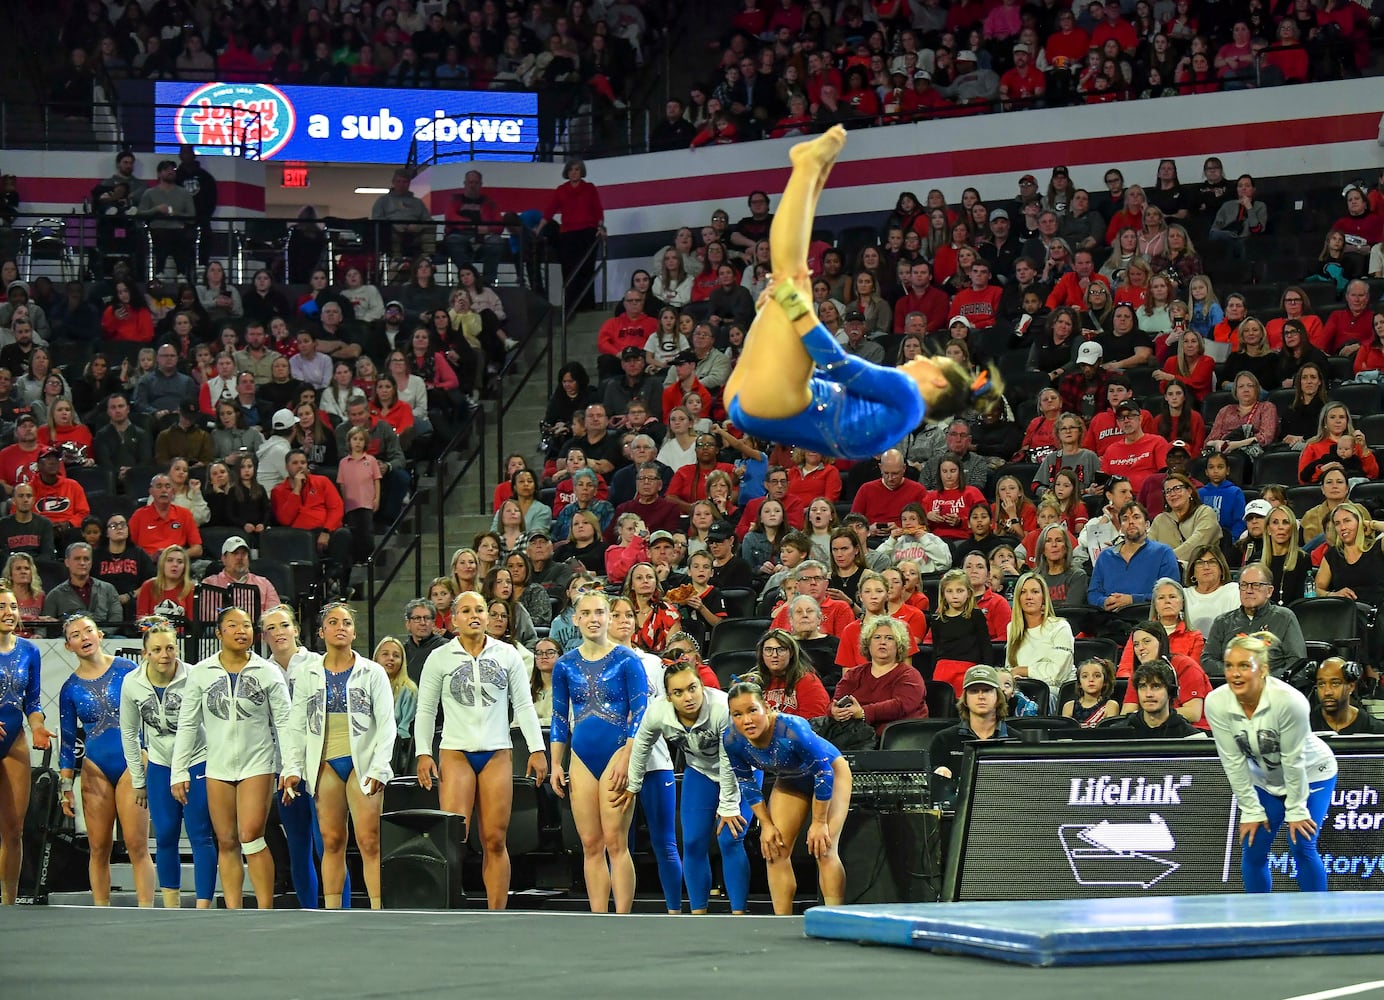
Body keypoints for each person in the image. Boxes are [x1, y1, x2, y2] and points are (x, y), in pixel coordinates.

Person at [724, 128, 1001, 460]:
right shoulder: (898, 417)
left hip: (775, 402)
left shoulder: (909, 397)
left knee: (794, 280)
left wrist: (796, 310)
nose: (920, 359)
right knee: (785, 287)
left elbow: (839, 364)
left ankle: (811, 169)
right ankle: (814, 172)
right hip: (754, 406)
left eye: (930, 361)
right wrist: (773, 319)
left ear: (938, 383)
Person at [171, 606, 290, 909]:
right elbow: (187, 723)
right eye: (233, 625)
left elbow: (285, 723)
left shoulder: (267, 671)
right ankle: (232, 911)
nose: (241, 631)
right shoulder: (201, 673)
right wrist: (179, 771)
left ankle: (265, 909)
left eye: (247, 625)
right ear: (219, 633)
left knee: (251, 836)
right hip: (218, 766)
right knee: (226, 841)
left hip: (258, 764)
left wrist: (291, 766)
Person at [279, 603, 394, 910]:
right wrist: (292, 767)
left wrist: (381, 767)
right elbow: (296, 726)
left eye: (346, 622)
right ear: (321, 632)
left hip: (363, 762)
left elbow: (386, 725)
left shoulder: (373, 672)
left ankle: (377, 910)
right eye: (333, 622)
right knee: (331, 842)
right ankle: (332, 913)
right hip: (325, 763)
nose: (340, 626)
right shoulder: (307, 674)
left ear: (354, 632)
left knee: (369, 841)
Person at [615, 655, 751, 915]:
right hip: (700, 772)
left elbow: (729, 758)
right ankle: (698, 913)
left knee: (729, 839)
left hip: (740, 771)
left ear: (703, 686)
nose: (688, 697)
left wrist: (729, 805)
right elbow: (642, 745)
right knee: (692, 842)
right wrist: (633, 785)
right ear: (668, 697)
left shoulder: (722, 708)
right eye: (678, 692)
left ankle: (739, 914)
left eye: (692, 688)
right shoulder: (658, 712)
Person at [1206, 632, 1337, 894]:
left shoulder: (1289, 702)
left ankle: (1319, 919)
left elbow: (1294, 759)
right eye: (1229, 665)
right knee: (1254, 847)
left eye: (1244, 666)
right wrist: (1250, 809)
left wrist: (1297, 809)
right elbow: (1233, 761)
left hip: (1312, 773)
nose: (1235, 674)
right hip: (1265, 780)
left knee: (1302, 843)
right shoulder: (1216, 703)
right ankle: (1259, 924)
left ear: (1263, 669)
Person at [548, 592, 647, 913]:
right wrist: (555, 764)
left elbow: (641, 711)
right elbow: (560, 717)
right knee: (590, 845)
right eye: (586, 613)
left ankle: (622, 918)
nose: (593, 618)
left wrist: (627, 756)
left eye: (600, 612)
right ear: (575, 619)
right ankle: (598, 917)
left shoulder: (626, 659)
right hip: (580, 759)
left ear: (609, 617)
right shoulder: (564, 665)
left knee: (616, 843)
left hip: (617, 755)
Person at [724, 673, 851, 915]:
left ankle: (836, 918)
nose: (746, 720)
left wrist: (819, 821)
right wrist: (766, 824)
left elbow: (823, 773)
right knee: (774, 849)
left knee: (824, 847)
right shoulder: (732, 739)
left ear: (767, 707)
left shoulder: (792, 729)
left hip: (829, 772)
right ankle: (781, 921)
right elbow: (746, 782)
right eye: (737, 715)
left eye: (752, 710)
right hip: (790, 779)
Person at [118, 616, 216, 909]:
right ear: (145, 652)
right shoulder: (132, 683)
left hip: (198, 760)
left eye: (170, 648)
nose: (165, 655)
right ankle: (171, 907)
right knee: (165, 835)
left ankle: (203, 908)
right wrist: (138, 779)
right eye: (158, 649)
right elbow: (129, 733)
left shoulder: (195, 677)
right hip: (160, 764)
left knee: (200, 834)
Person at [58, 613, 153, 907]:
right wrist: (64, 786)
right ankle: (100, 912)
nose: (84, 637)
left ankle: (147, 912)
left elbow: (149, 714)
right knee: (99, 847)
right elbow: (67, 740)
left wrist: (148, 753)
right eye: (75, 635)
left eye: (88, 631)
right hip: (95, 768)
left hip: (132, 763)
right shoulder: (70, 688)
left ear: (100, 635)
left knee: (137, 845)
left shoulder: (128, 669)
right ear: (68, 646)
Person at [0, 582, 52, 905]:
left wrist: (38, 727)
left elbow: (32, 701)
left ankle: (8, 901)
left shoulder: (29, 651)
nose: (9, 613)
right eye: (2, 607)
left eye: (13, 607)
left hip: (13, 740)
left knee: (14, 829)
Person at [1202, 564, 1307, 678]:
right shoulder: (1222, 622)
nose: (1249, 590)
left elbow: (1297, 662)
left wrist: (1262, 677)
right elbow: (1207, 661)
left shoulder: (1284, 617)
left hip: (1271, 687)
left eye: (1256, 585)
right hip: (1231, 686)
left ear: (1269, 591)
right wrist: (1237, 672)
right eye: (1244, 585)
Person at [831, 615, 927, 737]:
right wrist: (834, 711)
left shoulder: (909, 675)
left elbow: (900, 705)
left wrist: (863, 712)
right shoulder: (853, 674)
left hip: (897, 739)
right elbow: (836, 700)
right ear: (868, 644)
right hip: (856, 737)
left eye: (889, 638)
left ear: (898, 645)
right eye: (877, 637)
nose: (882, 642)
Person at [930, 665, 1010, 804]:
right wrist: (938, 772)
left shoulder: (1017, 740)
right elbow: (931, 781)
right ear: (965, 698)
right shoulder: (943, 739)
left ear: (998, 697)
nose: (981, 696)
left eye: (987, 690)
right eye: (974, 691)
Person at [1087, 502, 1180, 613]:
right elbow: (1093, 593)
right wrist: (1104, 601)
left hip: (1148, 618)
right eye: (1125, 519)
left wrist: (1132, 600)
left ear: (1147, 525)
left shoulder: (1163, 552)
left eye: (1136, 517)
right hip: (1110, 619)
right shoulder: (1105, 557)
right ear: (1121, 528)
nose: (1131, 522)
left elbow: (1172, 594)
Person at [1111, 660, 1203, 739]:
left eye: (1156, 686)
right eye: (1142, 686)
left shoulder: (1191, 738)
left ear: (1170, 692)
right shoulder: (1117, 734)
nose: (1148, 694)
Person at [758, 628, 830, 719]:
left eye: (781, 649)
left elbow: (815, 723)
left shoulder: (808, 681)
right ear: (762, 654)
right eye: (768, 650)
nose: (774, 655)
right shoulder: (756, 680)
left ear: (791, 653)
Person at [41, 541, 122, 622]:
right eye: (77, 559)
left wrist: (98, 634)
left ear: (91, 562)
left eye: (86, 559)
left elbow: (116, 620)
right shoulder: (55, 595)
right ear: (67, 562)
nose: (82, 563)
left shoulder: (108, 589)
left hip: (104, 633)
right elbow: (46, 624)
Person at [1311, 657, 1381, 735]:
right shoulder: (1304, 725)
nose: (1327, 692)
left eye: (1335, 683)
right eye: (1321, 684)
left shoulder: (1374, 729)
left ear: (1351, 687)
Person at [1063, 657, 1120, 727]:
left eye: (1097, 676)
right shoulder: (1069, 706)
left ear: (1105, 681)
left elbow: (1108, 734)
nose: (1091, 679)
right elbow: (1065, 734)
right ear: (1079, 683)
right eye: (1085, 676)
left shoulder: (1111, 705)